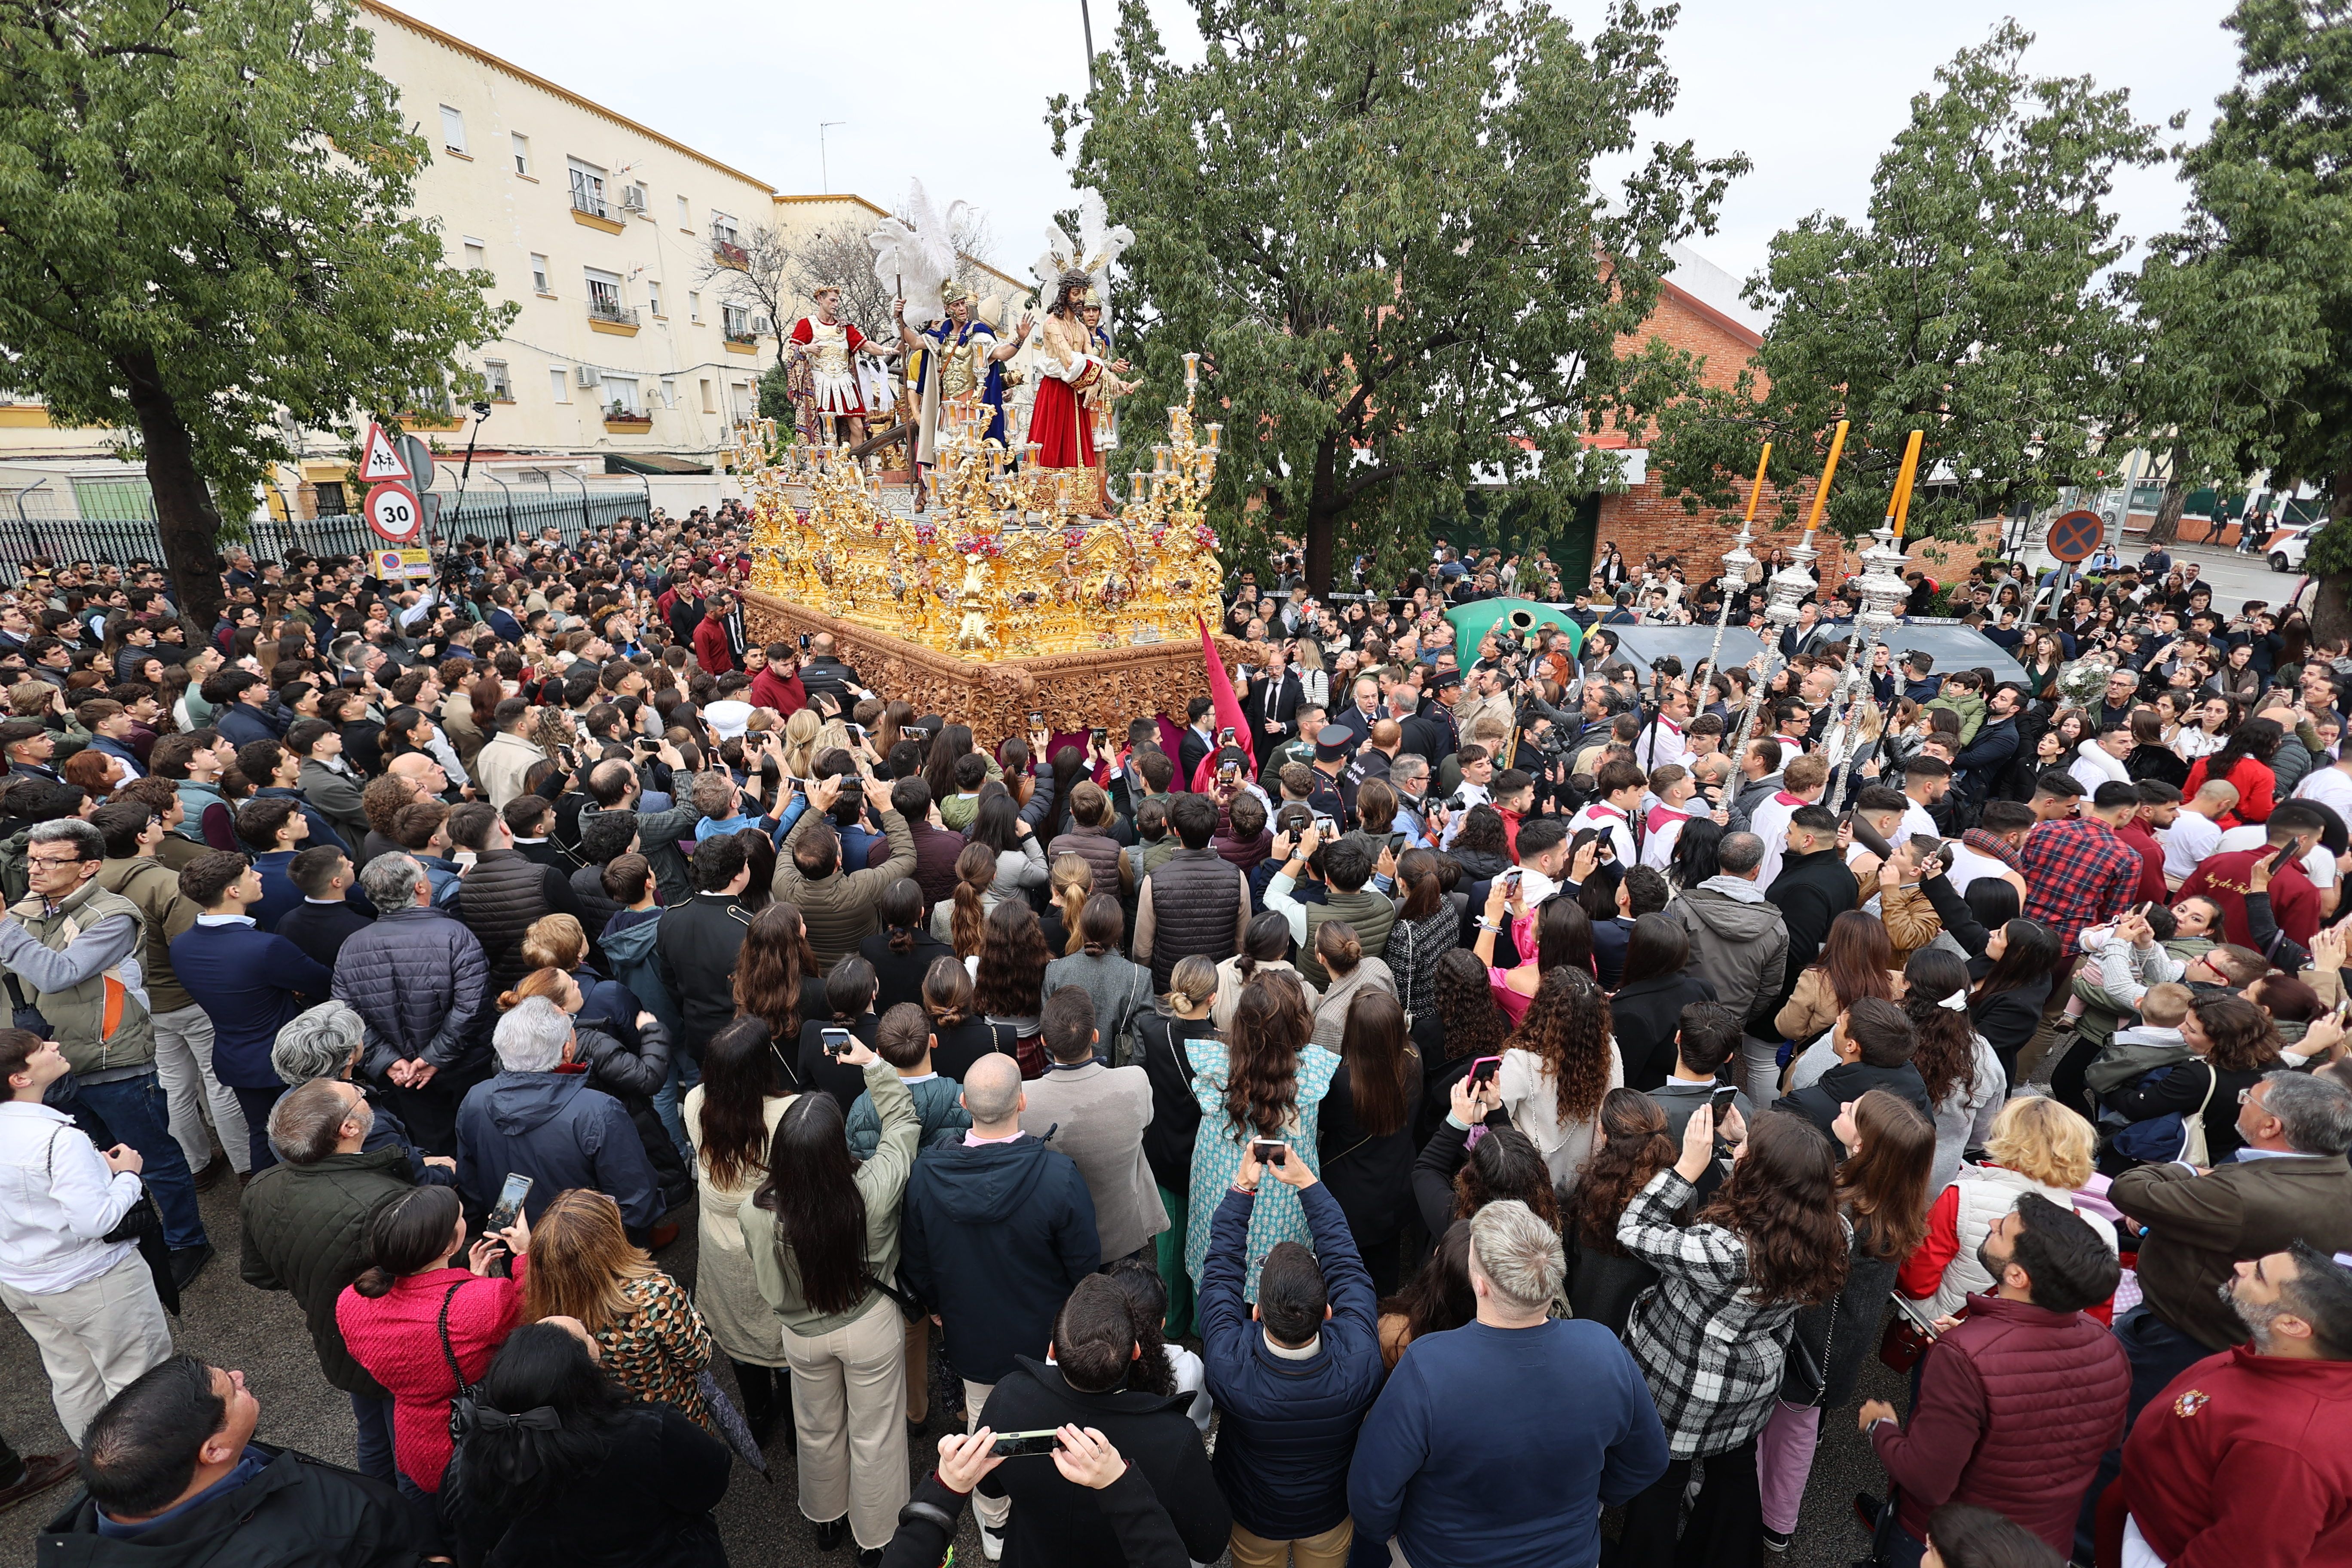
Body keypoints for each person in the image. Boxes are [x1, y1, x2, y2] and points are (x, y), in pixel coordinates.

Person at [1348, 1200, 1669, 1568]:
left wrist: (1392, 1532)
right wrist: (1592, 1500)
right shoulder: (1604, 1349)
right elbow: (1649, 1459)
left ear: (1480, 1285)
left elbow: (1372, 1494)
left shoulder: (1427, 1366)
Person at [1612, 1106, 1850, 1566]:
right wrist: (1751, 1140)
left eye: (1744, 1152)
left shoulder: (1726, 1252)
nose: (1735, 1152)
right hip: (1752, 1381)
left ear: (1760, 1177)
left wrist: (1685, 1169)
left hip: (1684, 1389)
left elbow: (1634, 1230)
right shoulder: (1834, 1232)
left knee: (1663, 1484)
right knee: (1734, 1472)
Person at [900, 1053, 1101, 1550]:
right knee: (1055, 1422)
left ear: (964, 1104)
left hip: (971, 1334)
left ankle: (994, 1521)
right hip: (1046, 1336)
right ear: (1022, 1101)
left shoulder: (926, 1174)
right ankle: (1049, 1511)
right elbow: (1084, 1266)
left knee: (983, 1425)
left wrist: (935, 1305)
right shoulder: (1058, 1175)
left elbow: (916, 1257)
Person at [1862, 1194, 2130, 1565]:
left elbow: (1927, 1481)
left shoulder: (1964, 1356)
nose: (1991, 1225)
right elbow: (2103, 1441)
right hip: (2043, 1545)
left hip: (1953, 1544)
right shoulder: (2108, 1344)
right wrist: (1978, 1348)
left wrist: (1880, 1427)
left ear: (2018, 1276)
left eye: (2002, 1230)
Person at [0, 817, 211, 1280]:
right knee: (91, 1163)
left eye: (50, 861)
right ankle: (132, 1233)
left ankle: (187, 1241)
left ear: (89, 866)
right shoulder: (23, 913)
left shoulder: (111, 916)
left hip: (112, 1059)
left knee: (153, 1158)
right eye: (31, 860)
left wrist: (4, 928)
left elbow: (58, 974)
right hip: (48, 1067)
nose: (35, 870)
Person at [743, 1036, 919, 1560]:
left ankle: (826, 1520)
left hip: (801, 1334)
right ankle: (877, 1539)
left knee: (817, 1427)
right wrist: (874, 1065)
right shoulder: (872, 1191)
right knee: (876, 1433)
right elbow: (903, 1124)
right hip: (868, 1322)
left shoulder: (757, 1212)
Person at [33, 1354, 433, 1567]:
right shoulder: (281, 1556)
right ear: (214, 1451)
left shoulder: (114, 1494)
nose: (240, 1376)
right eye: (231, 1390)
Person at [1757, 1090, 1934, 1553]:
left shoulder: (1844, 1215)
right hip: (1840, 1348)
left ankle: (1775, 1519)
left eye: (1851, 1111)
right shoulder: (1892, 1203)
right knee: (1801, 1427)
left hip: (1808, 1348)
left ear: (1862, 1146)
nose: (1841, 1108)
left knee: (1785, 1431)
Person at [1197, 1133, 1385, 1568]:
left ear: (1257, 1313)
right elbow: (1346, 1263)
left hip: (1253, 1515)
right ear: (1328, 1312)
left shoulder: (1226, 1364)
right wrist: (1308, 1184)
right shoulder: (1361, 1359)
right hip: (1329, 1514)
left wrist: (1243, 1189)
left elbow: (1221, 1272)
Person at [970, 1272, 1233, 1568]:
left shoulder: (1010, 1397)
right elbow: (1209, 1544)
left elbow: (989, 1486)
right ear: (1136, 1352)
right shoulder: (1173, 1439)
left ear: (1053, 1349)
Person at [2116, 1243, 2352, 1568]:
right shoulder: (2281, 1353)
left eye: (2259, 1275)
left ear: (2292, 1325)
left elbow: (2239, 1557)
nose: (2241, 1266)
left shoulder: (2288, 1449)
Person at [442, 1319, 733, 1568]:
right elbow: (711, 1481)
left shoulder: (479, 1450)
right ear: (586, 1376)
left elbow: (466, 1528)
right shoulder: (650, 1432)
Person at [236, 1078, 416, 1484]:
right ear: (348, 1129)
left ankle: (377, 1502)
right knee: (407, 1444)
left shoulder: (261, 1187)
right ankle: (412, 1517)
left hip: (334, 1337)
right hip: (393, 1341)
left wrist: (315, 1281)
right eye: (358, 1096)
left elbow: (259, 1273)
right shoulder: (381, 1199)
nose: (365, 1094)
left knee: (372, 1431)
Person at [0, 1029, 173, 1446]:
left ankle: (99, 1465)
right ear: (20, 1079)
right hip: (93, 1280)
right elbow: (95, 1221)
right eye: (41, 1049)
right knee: (140, 1379)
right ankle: (152, 1468)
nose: (54, 1046)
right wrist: (128, 1175)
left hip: (22, 1281)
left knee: (73, 1378)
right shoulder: (59, 1140)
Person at [334, 1183, 529, 1499]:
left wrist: (470, 1283)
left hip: (413, 1443)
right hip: (473, 1443)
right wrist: (525, 1255)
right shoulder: (486, 1301)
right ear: (449, 1246)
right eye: (461, 1217)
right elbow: (531, 1317)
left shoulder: (351, 1301)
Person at [168, 848, 334, 1172]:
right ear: (233, 891)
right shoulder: (266, 947)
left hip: (235, 1059)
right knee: (313, 1137)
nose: (259, 876)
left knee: (262, 1136)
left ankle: (263, 1194)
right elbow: (324, 982)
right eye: (250, 874)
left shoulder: (182, 946)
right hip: (288, 1060)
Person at [454, 996, 663, 1243]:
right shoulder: (598, 1111)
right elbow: (636, 1201)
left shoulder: (476, 1098)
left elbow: (471, 1183)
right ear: (567, 1051)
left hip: (516, 1241)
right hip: (589, 1249)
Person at [1185, 971, 1340, 1302]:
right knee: (1282, 1286)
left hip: (1225, 1182)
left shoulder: (1217, 1068)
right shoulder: (1310, 1075)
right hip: (1285, 1191)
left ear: (1242, 1021)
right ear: (1298, 1022)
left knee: (1221, 1269)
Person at [680, 1015, 798, 1447]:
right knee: (784, 1340)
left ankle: (758, 1418)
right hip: (771, 1244)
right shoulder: (787, 1114)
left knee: (738, 1337)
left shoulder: (695, 1103)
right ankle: (796, 1430)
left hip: (720, 1246)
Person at [330, 851, 492, 1160]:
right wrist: (431, 1059)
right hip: (463, 1067)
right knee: (481, 1142)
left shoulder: (352, 946)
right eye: (424, 871)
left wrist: (391, 1062)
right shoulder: (455, 935)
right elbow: (472, 1007)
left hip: (404, 1078)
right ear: (420, 887)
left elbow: (346, 1015)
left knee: (434, 1153)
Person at [519, 1187, 713, 1426]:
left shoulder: (547, 1306)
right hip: (672, 1416)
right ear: (609, 1241)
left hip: (609, 1423)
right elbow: (698, 1358)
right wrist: (693, 1315)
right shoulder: (654, 1297)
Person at [1019, 985, 1167, 1262]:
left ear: (1043, 1041)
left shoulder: (1023, 1100)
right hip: (1124, 1232)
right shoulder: (1135, 1081)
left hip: (1062, 1239)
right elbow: (1146, 1122)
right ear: (1095, 1036)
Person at [1660, 830, 1790, 1107]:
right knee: (1720, 1092)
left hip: (1681, 1017)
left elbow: (1665, 962)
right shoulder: (1777, 927)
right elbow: (1770, 988)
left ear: (1720, 861)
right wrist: (1741, 1016)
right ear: (1756, 870)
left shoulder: (1682, 907)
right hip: (1731, 1024)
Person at [772, 773, 916, 971]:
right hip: (858, 972)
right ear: (839, 860)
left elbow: (789, 846)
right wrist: (886, 808)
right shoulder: (862, 887)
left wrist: (818, 808)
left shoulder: (784, 885)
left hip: (813, 971)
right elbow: (906, 858)